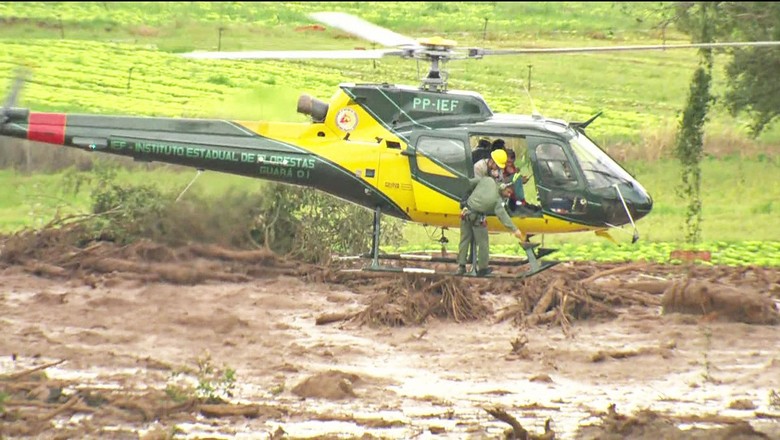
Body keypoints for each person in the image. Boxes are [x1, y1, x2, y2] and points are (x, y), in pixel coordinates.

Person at [457, 176, 526, 277]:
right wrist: (515, 230)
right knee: (483, 242)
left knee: (464, 240)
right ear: (504, 187)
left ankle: (461, 267)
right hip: (477, 218)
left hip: (466, 213)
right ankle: (483, 268)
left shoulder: (487, 180)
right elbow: (503, 217)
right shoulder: (497, 202)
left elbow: (470, 182)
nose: (508, 195)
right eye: (508, 192)